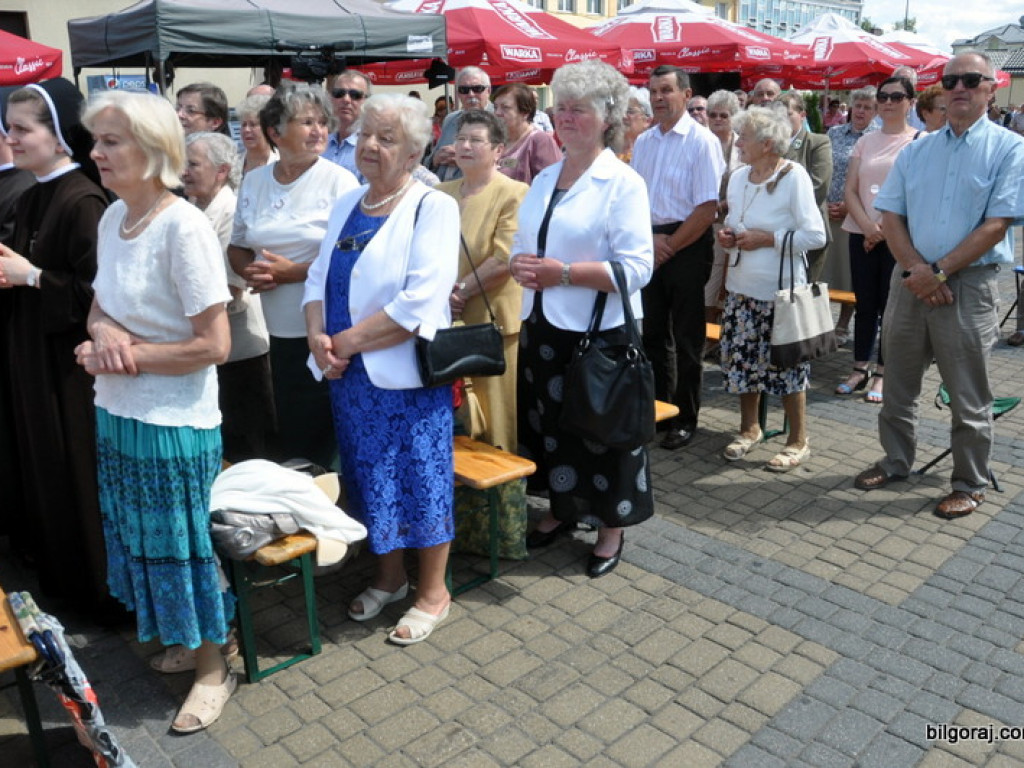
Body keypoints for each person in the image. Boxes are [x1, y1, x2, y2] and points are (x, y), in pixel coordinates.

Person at [76, 90, 235, 732]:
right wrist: (104, 334)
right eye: (98, 140)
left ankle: (212, 668)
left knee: (183, 548)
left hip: (173, 421)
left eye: (111, 141)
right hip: (119, 410)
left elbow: (213, 345)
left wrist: (127, 353)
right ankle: (183, 637)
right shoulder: (113, 218)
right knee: (142, 542)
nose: (97, 151)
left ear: (152, 148)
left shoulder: (184, 226)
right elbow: (99, 305)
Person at [303, 94, 460, 644]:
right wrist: (317, 341)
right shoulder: (350, 201)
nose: (369, 145)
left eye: (386, 138)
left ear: (416, 150)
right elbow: (316, 278)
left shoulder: (431, 205)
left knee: (422, 478)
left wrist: (341, 342)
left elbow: (419, 305)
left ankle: (433, 593)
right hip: (351, 380)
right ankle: (390, 577)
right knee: (369, 479)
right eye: (367, 134)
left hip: (406, 379)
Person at [853, 52, 1024, 519]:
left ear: (992, 88)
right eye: (951, 81)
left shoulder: (1010, 148)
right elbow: (890, 214)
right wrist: (915, 270)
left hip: (967, 286)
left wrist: (938, 271)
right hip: (910, 280)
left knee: (968, 396)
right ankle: (895, 460)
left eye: (971, 80)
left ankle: (970, 482)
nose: (959, 87)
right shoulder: (918, 149)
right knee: (897, 386)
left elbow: (997, 225)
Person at [511, 60, 654, 579]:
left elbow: (638, 268)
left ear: (607, 116)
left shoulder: (623, 182)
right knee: (553, 429)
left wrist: (562, 273)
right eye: (561, 108)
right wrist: (516, 264)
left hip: (598, 333)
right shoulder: (547, 175)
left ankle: (610, 529)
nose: (566, 117)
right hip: (545, 325)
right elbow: (525, 243)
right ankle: (562, 509)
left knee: (603, 433)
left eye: (579, 109)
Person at [0, 79, 109, 607]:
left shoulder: (82, 199)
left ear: (61, 136)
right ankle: (61, 581)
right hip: (33, 361)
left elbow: (97, 293)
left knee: (74, 474)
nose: (11, 139)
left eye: (22, 129)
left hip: (68, 373)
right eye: (9, 128)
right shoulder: (34, 191)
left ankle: (95, 592)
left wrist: (33, 277)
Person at [229, 84, 359, 469]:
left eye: (322, 122)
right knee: (286, 423)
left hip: (324, 324)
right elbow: (237, 244)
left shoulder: (339, 181)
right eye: (307, 122)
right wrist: (249, 271)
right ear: (275, 132)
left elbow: (352, 254)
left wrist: (293, 273)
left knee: (318, 428)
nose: (319, 130)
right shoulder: (254, 181)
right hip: (272, 328)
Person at [437, 109, 529, 557]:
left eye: (478, 139)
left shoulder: (514, 192)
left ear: (499, 149)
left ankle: (500, 534)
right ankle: (455, 526)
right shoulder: (440, 192)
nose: (467, 146)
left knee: (495, 427)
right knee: (455, 428)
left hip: (492, 326)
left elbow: (504, 257)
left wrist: (459, 290)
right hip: (445, 327)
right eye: (461, 138)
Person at [717, 106, 826, 471]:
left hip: (779, 294)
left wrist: (768, 239)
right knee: (743, 362)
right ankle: (750, 429)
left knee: (788, 368)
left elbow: (815, 235)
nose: (738, 143)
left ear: (767, 143)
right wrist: (729, 235)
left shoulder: (794, 176)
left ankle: (798, 441)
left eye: (743, 137)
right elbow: (735, 220)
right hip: (741, 288)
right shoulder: (737, 177)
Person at [631, 65, 725, 450]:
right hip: (649, 243)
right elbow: (635, 199)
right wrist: (650, 242)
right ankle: (659, 410)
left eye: (666, 90)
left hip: (686, 244)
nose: (658, 98)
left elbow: (706, 209)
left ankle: (685, 418)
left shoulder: (702, 142)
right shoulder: (645, 141)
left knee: (687, 338)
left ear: (686, 95)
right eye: (653, 91)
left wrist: (666, 246)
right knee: (652, 335)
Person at [183, 132, 274, 462]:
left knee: (244, 447)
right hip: (207, 347)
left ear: (222, 170)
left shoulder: (231, 210)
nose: (184, 171)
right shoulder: (191, 207)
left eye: (193, 164)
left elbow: (232, 288)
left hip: (240, 351)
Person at [838, 77, 919, 405]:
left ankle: (885, 370)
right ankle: (860, 366)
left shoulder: (918, 141)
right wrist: (868, 226)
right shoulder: (865, 142)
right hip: (861, 232)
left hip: (897, 235)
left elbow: (912, 191)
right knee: (865, 301)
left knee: (891, 306)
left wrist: (882, 227)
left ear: (910, 102)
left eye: (896, 97)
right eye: (883, 96)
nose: (888, 102)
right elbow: (850, 189)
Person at [825, 86, 878, 346]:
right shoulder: (833, 133)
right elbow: (823, 169)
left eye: (868, 107)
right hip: (827, 211)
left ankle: (843, 324)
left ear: (875, 111)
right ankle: (821, 323)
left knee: (849, 273)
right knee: (825, 272)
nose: (861, 111)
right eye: (858, 105)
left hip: (856, 215)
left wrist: (850, 207)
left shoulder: (877, 138)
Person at [778, 92, 832, 282]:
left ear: (802, 114)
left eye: (788, 114)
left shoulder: (817, 142)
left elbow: (819, 185)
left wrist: (777, 209)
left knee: (801, 295)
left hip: (806, 230)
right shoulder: (769, 145)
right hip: (774, 232)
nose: (783, 120)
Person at [705, 89, 742, 325]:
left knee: (727, 275)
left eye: (724, 115)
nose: (717, 119)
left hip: (733, 219)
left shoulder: (742, 145)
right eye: (713, 115)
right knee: (710, 275)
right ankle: (707, 329)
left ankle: (718, 328)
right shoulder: (700, 141)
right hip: (703, 219)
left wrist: (724, 203)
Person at [428, 66, 492, 182]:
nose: (471, 94)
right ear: (458, 93)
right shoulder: (451, 119)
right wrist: (435, 159)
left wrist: (464, 159)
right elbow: (431, 158)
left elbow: (508, 162)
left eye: (477, 89)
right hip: (443, 190)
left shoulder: (500, 119)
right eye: (464, 90)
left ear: (488, 91)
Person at [492, 84, 561, 185]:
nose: (497, 113)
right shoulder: (495, 140)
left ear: (525, 112)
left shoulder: (539, 141)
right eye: (495, 107)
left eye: (505, 108)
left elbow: (550, 185)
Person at [322, 69, 372, 182]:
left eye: (355, 95)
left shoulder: (371, 148)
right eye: (339, 93)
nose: (346, 99)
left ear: (367, 101)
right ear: (331, 98)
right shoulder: (319, 143)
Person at [236, 93, 277, 177]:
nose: (246, 130)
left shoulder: (280, 163)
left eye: (253, 124)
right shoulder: (234, 163)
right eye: (243, 125)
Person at [619, 86, 651, 163]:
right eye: (621, 110)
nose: (623, 116)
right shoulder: (607, 147)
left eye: (630, 112)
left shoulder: (651, 151)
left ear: (647, 121)